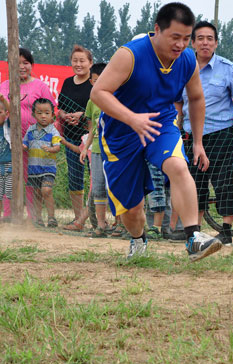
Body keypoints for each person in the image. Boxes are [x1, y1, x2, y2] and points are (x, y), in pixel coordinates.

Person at [90, 2, 222, 260]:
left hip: (161, 123)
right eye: (175, 37)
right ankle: (138, 240)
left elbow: (196, 99)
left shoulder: (186, 59)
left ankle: (193, 238)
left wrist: (197, 142)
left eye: (187, 38)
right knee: (132, 209)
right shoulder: (130, 55)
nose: (181, 45)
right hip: (120, 133)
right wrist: (132, 119)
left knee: (178, 166)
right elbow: (98, 92)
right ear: (157, 30)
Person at [176, 20, 233, 246]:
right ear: (192, 43)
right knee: (194, 182)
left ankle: (226, 231)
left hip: (220, 133)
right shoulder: (183, 66)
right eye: (200, 39)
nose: (205, 43)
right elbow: (178, 101)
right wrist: (177, 126)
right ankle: (194, 230)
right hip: (189, 135)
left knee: (224, 181)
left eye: (210, 39)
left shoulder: (228, 68)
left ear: (216, 43)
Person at [0, 48, 56, 219]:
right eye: (17, 63)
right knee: (8, 177)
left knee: (32, 179)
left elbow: (52, 112)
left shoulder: (40, 86)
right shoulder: (4, 86)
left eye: (26, 63)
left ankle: (33, 218)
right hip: (8, 141)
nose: (22, 67)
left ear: (32, 65)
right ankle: (9, 215)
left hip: (34, 142)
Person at [58, 45, 94, 231]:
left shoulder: (94, 84)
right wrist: (65, 116)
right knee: (75, 179)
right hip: (70, 137)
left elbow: (97, 108)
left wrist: (81, 114)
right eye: (75, 60)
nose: (78, 64)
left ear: (90, 63)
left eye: (82, 61)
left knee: (95, 179)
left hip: (91, 140)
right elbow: (60, 106)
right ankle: (77, 219)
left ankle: (94, 219)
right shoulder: (67, 82)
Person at [80, 63, 110, 237]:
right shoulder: (92, 102)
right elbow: (92, 128)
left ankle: (120, 224)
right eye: (96, 81)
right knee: (98, 186)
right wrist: (85, 148)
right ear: (91, 82)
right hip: (97, 149)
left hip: (114, 149)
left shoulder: (116, 97)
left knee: (113, 187)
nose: (99, 83)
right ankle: (100, 225)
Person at [22, 98, 61, 227]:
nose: (43, 116)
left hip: (48, 168)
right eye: (39, 113)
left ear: (52, 115)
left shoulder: (53, 131)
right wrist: (22, 146)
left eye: (47, 113)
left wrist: (51, 149)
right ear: (33, 115)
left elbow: (57, 147)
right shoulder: (30, 130)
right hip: (34, 168)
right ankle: (38, 218)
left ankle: (51, 218)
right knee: (37, 193)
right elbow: (25, 144)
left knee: (46, 190)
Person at [0, 95, 11, 222]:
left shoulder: (8, 125)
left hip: (8, 163)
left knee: (8, 191)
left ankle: (8, 216)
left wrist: (3, 100)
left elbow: (13, 113)